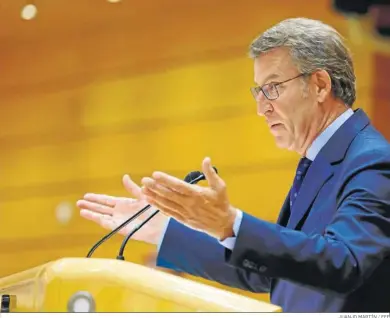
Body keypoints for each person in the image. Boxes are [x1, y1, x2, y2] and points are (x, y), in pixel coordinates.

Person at [77, 17, 390, 312]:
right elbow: (271, 274)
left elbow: (345, 262)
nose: (261, 108)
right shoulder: (321, 160)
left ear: (320, 85)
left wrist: (230, 224)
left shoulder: (372, 159)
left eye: (273, 87)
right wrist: (165, 230)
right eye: (259, 90)